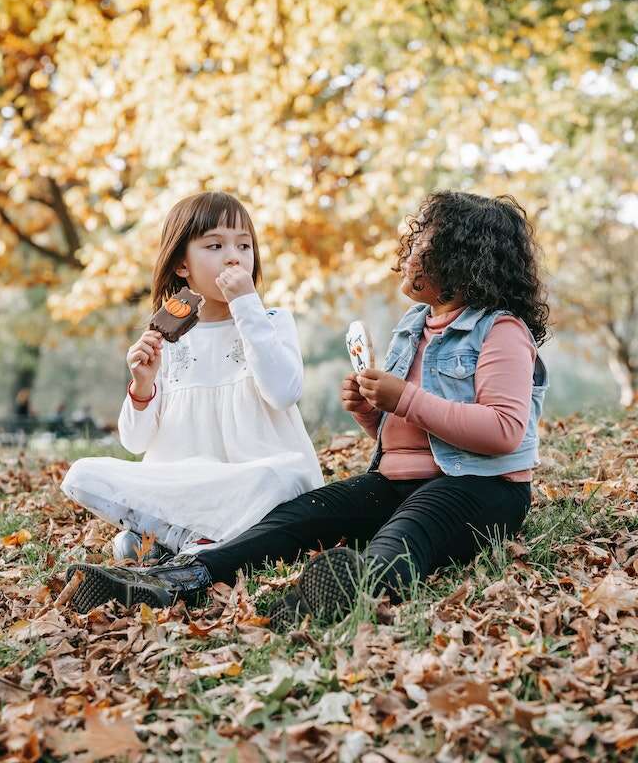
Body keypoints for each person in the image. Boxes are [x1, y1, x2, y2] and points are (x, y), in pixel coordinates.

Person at [63, 190, 549, 623]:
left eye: (421, 243)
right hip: (396, 481)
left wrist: (404, 398)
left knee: (408, 535)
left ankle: (349, 587)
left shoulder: (500, 330)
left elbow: (504, 430)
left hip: (478, 487)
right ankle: (176, 579)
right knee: (297, 517)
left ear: (460, 259)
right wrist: (372, 413)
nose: (407, 251)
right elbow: (413, 433)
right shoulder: (414, 325)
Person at [60, 190, 323, 571]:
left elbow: (283, 393)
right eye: (215, 245)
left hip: (251, 483)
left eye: (244, 245)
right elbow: (135, 441)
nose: (234, 256)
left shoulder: (271, 322)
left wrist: (246, 305)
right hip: (185, 484)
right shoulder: (169, 337)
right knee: (82, 474)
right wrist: (142, 387)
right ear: (182, 265)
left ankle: (167, 538)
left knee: (278, 479)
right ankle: (189, 537)